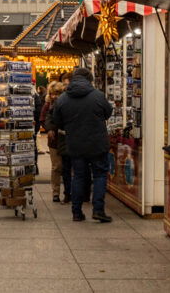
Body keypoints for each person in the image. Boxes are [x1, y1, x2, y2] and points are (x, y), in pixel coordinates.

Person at [51, 67, 113, 223]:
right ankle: (98, 210)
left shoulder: (63, 98)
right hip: (97, 144)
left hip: (75, 144)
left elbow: (57, 122)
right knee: (99, 175)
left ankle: (76, 212)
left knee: (78, 176)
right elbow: (108, 113)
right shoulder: (98, 96)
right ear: (89, 79)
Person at [41, 81, 67, 203]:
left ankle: (68, 192)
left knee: (67, 166)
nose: (54, 96)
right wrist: (49, 128)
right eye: (52, 94)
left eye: (57, 93)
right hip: (54, 140)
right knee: (56, 166)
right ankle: (55, 192)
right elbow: (43, 118)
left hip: (66, 138)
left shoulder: (67, 103)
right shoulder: (48, 105)